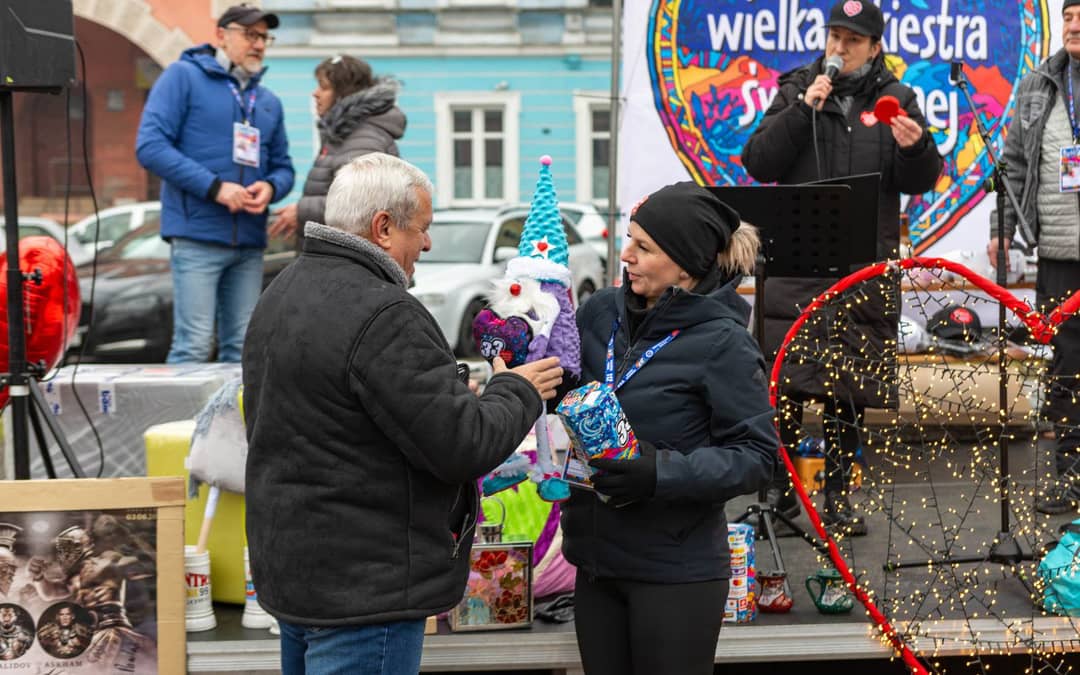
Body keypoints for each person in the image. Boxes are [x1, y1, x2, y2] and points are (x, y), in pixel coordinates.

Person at [242, 153, 564, 675]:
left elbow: (335, 417)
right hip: (365, 590)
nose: (428, 243)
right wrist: (517, 389)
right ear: (383, 227)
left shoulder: (283, 288)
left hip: (297, 572)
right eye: (422, 228)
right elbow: (463, 445)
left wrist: (450, 391)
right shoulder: (383, 312)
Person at [741, 0, 942, 535]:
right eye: (835, 36)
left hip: (861, 266)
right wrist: (801, 109)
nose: (840, 47)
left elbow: (922, 178)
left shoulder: (897, 99)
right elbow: (758, 161)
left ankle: (838, 496)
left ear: (875, 48)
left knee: (847, 388)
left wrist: (917, 148)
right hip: (797, 263)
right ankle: (781, 493)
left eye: (852, 40)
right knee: (785, 382)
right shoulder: (798, 87)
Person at [561, 182, 777, 675]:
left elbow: (757, 457)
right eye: (629, 240)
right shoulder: (599, 312)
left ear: (686, 266)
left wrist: (659, 473)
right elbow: (565, 390)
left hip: (675, 573)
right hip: (596, 566)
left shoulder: (723, 342)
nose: (626, 255)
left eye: (644, 247)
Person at [136, 4, 295, 364]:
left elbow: (284, 167)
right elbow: (151, 147)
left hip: (249, 241)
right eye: (250, 35)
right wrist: (215, 188)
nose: (259, 44)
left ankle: (234, 407)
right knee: (193, 345)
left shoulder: (267, 101)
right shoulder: (182, 77)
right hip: (197, 237)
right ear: (222, 35)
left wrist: (271, 187)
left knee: (243, 349)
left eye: (264, 37)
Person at [993, 0, 1080, 515]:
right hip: (1058, 255)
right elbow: (1014, 165)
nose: (1073, 25)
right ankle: (1071, 476)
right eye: (1068, 16)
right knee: (1066, 370)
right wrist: (1001, 229)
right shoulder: (1037, 84)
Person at [270, 55, 406, 244]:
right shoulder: (345, 134)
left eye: (324, 87)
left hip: (347, 255)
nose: (315, 93)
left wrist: (302, 212)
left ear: (343, 93)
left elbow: (360, 202)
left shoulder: (363, 138)